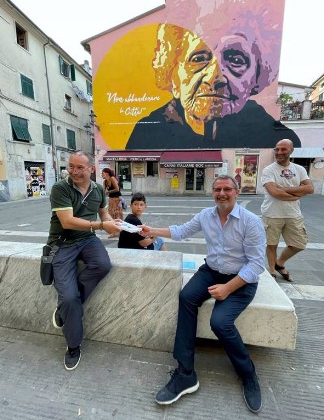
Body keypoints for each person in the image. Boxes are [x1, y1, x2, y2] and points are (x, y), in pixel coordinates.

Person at [139, 175, 266, 413]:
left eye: (227, 189)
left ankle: (248, 374)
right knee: (186, 297)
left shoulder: (251, 222)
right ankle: (185, 373)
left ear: (236, 192)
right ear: (212, 193)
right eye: (217, 189)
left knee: (220, 322)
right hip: (211, 271)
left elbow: (256, 265)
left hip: (241, 279)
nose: (222, 193)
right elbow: (181, 231)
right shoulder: (206, 215)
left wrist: (228, 288)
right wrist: (152, 230)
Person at [126, 18, 301, 149]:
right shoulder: (145, 134)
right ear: (173, 76)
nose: (214, 78)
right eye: (199, 59)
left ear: (256, 78)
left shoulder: (273, 137)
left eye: (235, 59)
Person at [48, 151, 121, 371]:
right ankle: (73, 346)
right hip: (62, 242)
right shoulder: (60, 188)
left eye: (80, 167)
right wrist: (101, 226)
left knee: (103, 265)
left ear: (91, 169)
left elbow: (103, 213)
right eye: (71, 166)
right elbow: (67, 222)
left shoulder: (98, 189)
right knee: (68, 297)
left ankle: (65, 311)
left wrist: (111, 224)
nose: (74, 172)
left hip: (87, 239)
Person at [261, 139, 314, 281]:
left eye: (283, 149)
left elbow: (310, 188)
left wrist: (283, 189)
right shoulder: (269, 170)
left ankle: (280, 263)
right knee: (271, 244)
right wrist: (296, 194)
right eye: (277, 149)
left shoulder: (300, 169)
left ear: (291, 150)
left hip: (293, 214)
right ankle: (271, 270)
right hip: (272, 214)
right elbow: (274, 193)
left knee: (299, 244)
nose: (279, 152)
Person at [102, 168, 123, 236]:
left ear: (107, 173)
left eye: (103, 173)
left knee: (116, 216)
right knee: (111, 216)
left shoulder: (112, 178)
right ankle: (114, 232)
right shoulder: (105, 182)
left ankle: (116, 232)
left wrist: (109, 191)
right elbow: (104, 191)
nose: (102, 174)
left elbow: (117, 189)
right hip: (111, 200)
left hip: (116, 200)